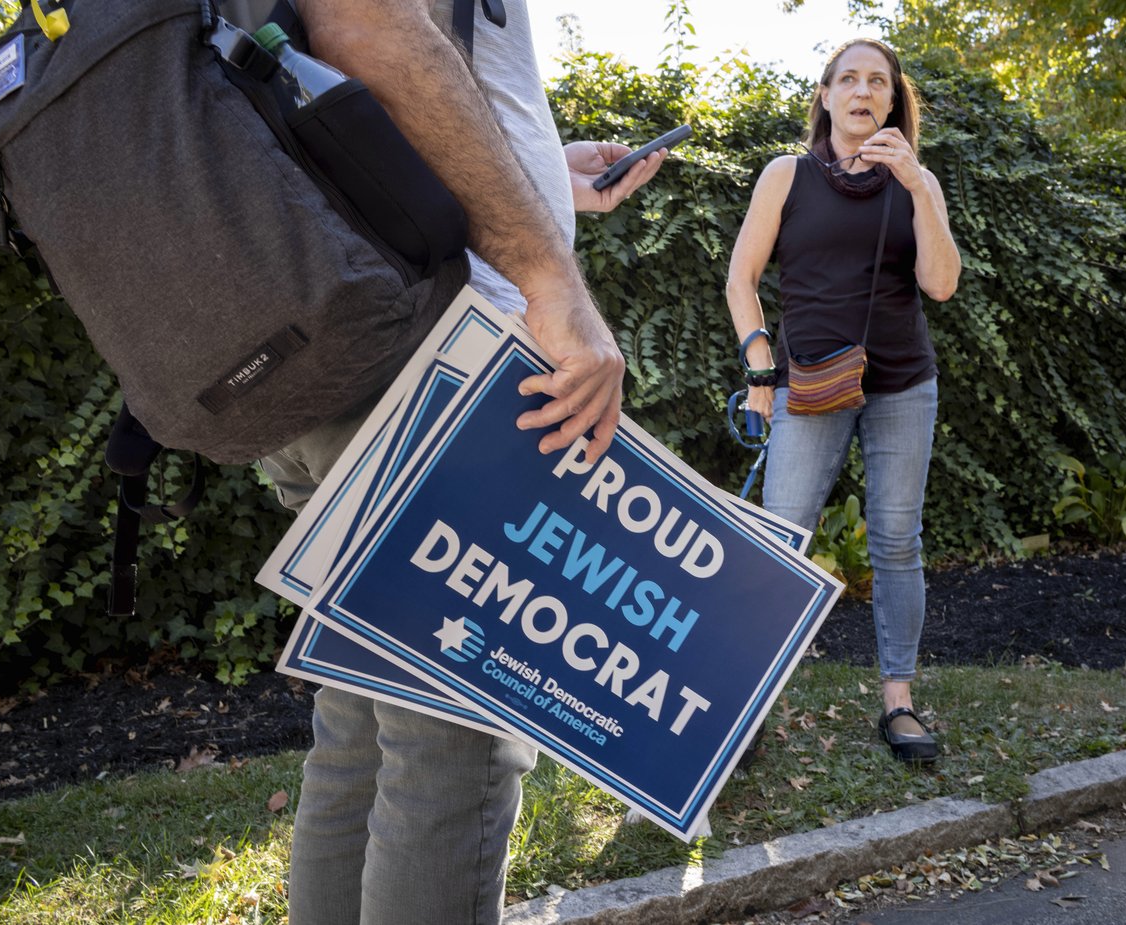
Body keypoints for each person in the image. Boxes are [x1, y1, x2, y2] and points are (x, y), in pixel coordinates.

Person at [256, 1, 670, 922]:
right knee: (453, 742)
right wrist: (549, 272)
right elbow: (365, 23)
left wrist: (543, 183)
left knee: (364, 723)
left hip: (333, 343)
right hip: (431, 355)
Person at [725, 38, 961, 765]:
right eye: (848, 80)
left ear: (893, 102)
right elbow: (742, 280)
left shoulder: (915, 183)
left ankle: (898, 703)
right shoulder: (785, 175)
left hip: (902, 385)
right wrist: (762, 374)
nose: (863, 92)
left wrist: (919, 187)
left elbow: (942, 284)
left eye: (878, 83)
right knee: (780, 536)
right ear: (825, 96)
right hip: (810, 386)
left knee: (895, 541)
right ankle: (741, 704)